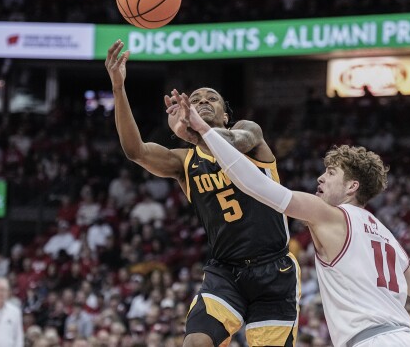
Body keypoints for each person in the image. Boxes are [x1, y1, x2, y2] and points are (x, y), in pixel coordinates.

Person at [174, 93, 410, 347]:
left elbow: (256, 184)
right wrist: (399, 333)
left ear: (352, 187)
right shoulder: (386, 236)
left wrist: (204, 133)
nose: (320, 178)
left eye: (330, 173)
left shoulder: (331, 215)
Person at [105, 41, 300, 347]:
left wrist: (194, 130)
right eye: (195, 100)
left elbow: (231, 142)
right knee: (195, 342)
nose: (203, 101)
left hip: (274, 269)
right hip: (225, 271)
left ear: (225, 116)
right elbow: (135, 151)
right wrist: (118, 88)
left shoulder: (249, 134)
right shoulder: (184, 162)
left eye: (212, 99)